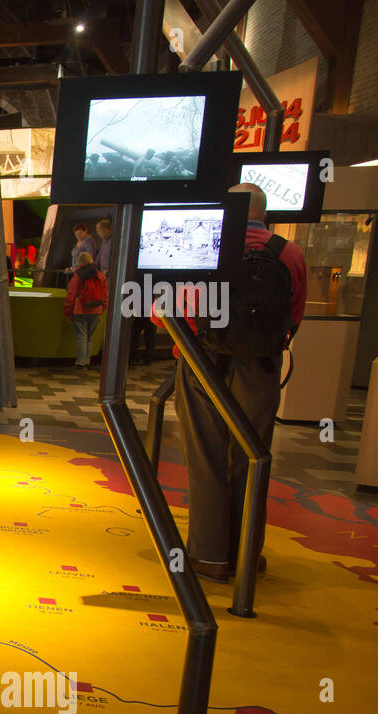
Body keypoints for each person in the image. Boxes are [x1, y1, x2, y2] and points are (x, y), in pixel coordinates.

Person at [156, 182, 305, 583]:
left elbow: (166, 311)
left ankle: (208, 556)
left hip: (201, 359)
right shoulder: (289, 253)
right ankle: (246, 553)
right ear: (265, 211)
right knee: (252, 455)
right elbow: (294, 315)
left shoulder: (204, 245)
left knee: (205, 455)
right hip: (261, 366)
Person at [63, 252, 107, 370]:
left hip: (80, 310)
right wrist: (102, 310)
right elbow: (105, 296)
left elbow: (71, 295)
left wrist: (67, 311)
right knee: (89, 337)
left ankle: (80, 363)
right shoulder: (100, 275)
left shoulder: (78, 276)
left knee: (81, 336)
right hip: (96, 310)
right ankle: (87, 361)